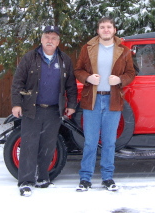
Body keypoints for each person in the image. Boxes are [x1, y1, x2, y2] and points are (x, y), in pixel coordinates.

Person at [11, 25, 77, 197]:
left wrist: (71, 105)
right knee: (29, 146)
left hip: (55, 110)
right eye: (47, 37)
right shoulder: (29, 58)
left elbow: (71, 85)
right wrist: (16, 104)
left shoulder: (64, 60)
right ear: (41, 39)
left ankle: (42, 178)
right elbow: (18, 82)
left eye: (54, 38)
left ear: (58, 42)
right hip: (32, 109)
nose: (50, 40)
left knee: (48, 145)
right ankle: (25, 181)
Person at [74, 17, 136, 192]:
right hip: (92, 100)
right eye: (102, 27)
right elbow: (78, 70)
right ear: (98, 30)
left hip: (113, 100)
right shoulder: (88, 49)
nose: (106, 30)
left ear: (114, 30)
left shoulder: (123, 51)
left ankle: (107, 178)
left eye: (109, 27)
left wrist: (120, 79)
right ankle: (85, 178)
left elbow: (131, 73)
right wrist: (87, 78)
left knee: (109, 142)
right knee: (90, 142)